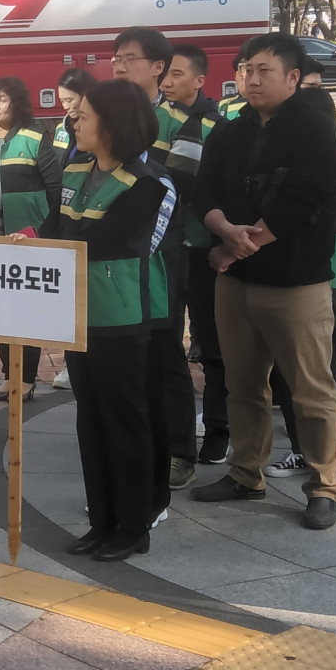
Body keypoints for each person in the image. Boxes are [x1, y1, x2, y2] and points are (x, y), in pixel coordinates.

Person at [187, 34, 336, 530]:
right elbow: (204, 189)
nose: (251, 79)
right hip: (236, 280)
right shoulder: (230, 130)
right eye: (244, 70)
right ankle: (245, 472)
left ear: (293, 77)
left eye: (263, 70)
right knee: (242, 384)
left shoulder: (315, 129)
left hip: (296, 283)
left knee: (310, 389)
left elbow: (307, 198)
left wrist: (243, 241)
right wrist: (222, 228)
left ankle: (323, 485)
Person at [17, 79, 173, 561]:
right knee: (91, 420)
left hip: (123, 318)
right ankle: (102, 521)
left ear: (113, 124)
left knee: (125, 420)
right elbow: (58, 225)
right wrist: (30, 237)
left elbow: (106, 243)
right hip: (78, 314)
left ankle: (133, 525)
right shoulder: (77, 168)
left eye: (83, 116)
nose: (74, 122)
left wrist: (50, 247)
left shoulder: (148, 183)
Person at [112, 26, 197, 493]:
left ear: (158, 67)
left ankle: (179, 449)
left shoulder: (178, 123)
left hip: (162, 256)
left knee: (164, 353)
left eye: (129, 58)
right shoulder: (98, 117)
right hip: (111, 263)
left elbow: (181, 190)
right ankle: (133, 445)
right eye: (115, 59)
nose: (119, 66)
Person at [267, 57, 336, 480]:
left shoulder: (335, 175)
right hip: (284, 280)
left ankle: (333, 461)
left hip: (321, 284)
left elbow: (319, 223)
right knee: (288, 374)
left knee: (322, 374)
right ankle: (304, 450)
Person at [0, 75, 61, 401]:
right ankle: (9, 376)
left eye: (3, 99)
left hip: (24, 240)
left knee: (26, 312)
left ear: (16, 103)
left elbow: (56, 188)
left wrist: (41, 232)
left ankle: (27, 379)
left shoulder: (35, 138)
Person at [160, 45, 230, 465]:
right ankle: (172, 434)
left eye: (177, 74)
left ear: (200, 80)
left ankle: (219, 432)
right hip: (164, 250)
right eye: (165, 74)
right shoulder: (152, 117)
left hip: (203, 252)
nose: (167, 81)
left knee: (213, 346)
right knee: (166, 344)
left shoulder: (217, 126)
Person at [49, 67, 95, 390]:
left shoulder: (99, 125)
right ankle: (70, 363)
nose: (66, 106)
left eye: (71, 99)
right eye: (62, 100)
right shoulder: (61, 128)